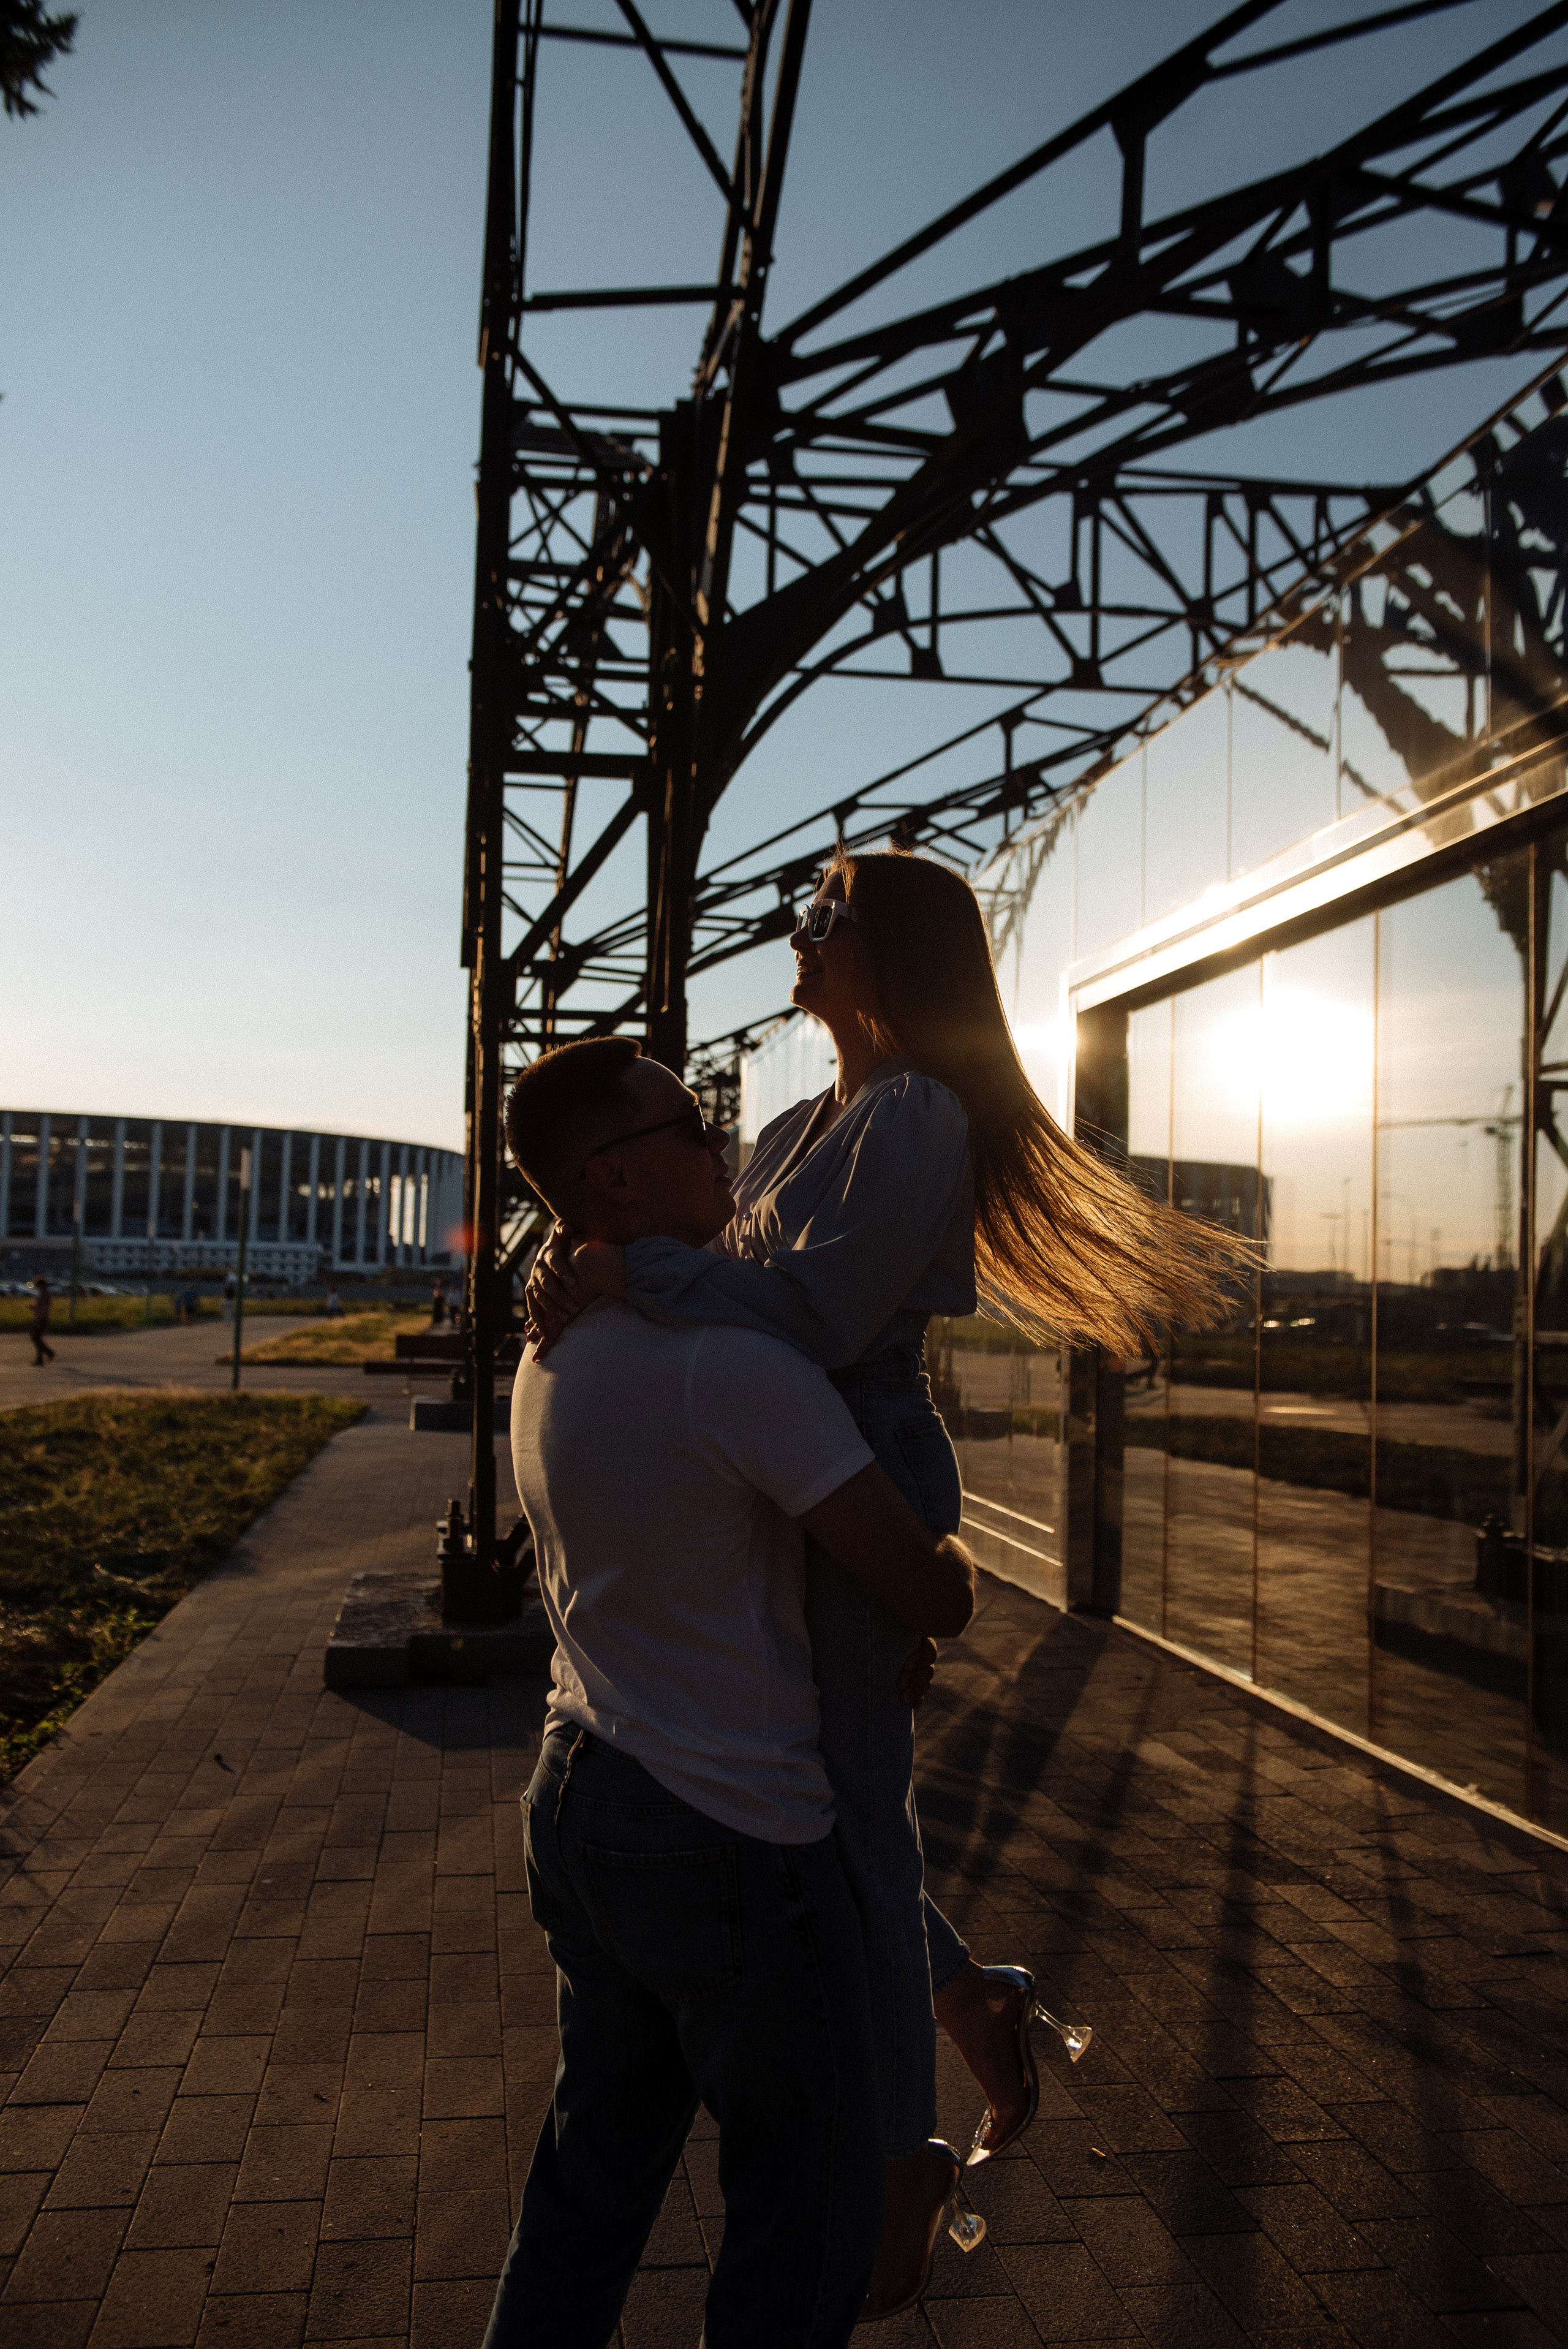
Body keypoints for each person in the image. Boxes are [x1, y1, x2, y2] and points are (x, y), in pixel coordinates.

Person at [526, 846, 1243, 2276]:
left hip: (848, 1445)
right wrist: (584, 1253)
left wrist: (624, 1271)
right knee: (828, 1791)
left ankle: (901, 2154)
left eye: (824, 914)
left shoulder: (913, 1114)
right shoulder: (805, 1117)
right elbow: (710, 1266)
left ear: (886, 950)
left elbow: (811, 1317)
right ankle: (961, 2011)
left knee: (845, 1801)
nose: (800, 930)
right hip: (785, 1464)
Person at [486, 1040, 982, 2348]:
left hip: (579, 1792)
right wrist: (955, 1564)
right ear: (617, 1177)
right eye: (691, 1124)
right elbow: (926, 1593)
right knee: (799, 2237)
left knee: (583, 2202)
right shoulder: (734, 1370)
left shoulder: (552, 1354)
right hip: (732, 1839)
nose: (719, 1140)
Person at [29, 1276, 55, 1366]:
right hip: (41, 1318)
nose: (37, 1287)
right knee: (37, 1338)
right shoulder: (44, 1293)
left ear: (41, 1285)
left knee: (35, 1338)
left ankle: (46, 1355)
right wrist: (34, 1307)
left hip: (41, 1319)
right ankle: (45, 1356)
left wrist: (38, 1319)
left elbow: (43, 1307)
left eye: (37, 1285)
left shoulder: (44, 1294)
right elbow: (42, 1306)